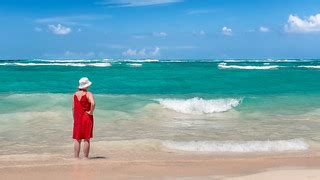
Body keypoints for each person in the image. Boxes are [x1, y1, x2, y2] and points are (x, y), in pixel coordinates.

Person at [72, 77, 95, 159]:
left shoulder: (74, 94)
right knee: (86, 138)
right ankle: (85, 157)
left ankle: (76, 157)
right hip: (86, 118)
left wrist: (75, 118)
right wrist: (91, 112)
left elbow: (73, 108)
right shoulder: (88, 94)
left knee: (77, 139)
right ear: (86, 86)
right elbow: (93, 103)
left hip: (77, 118)